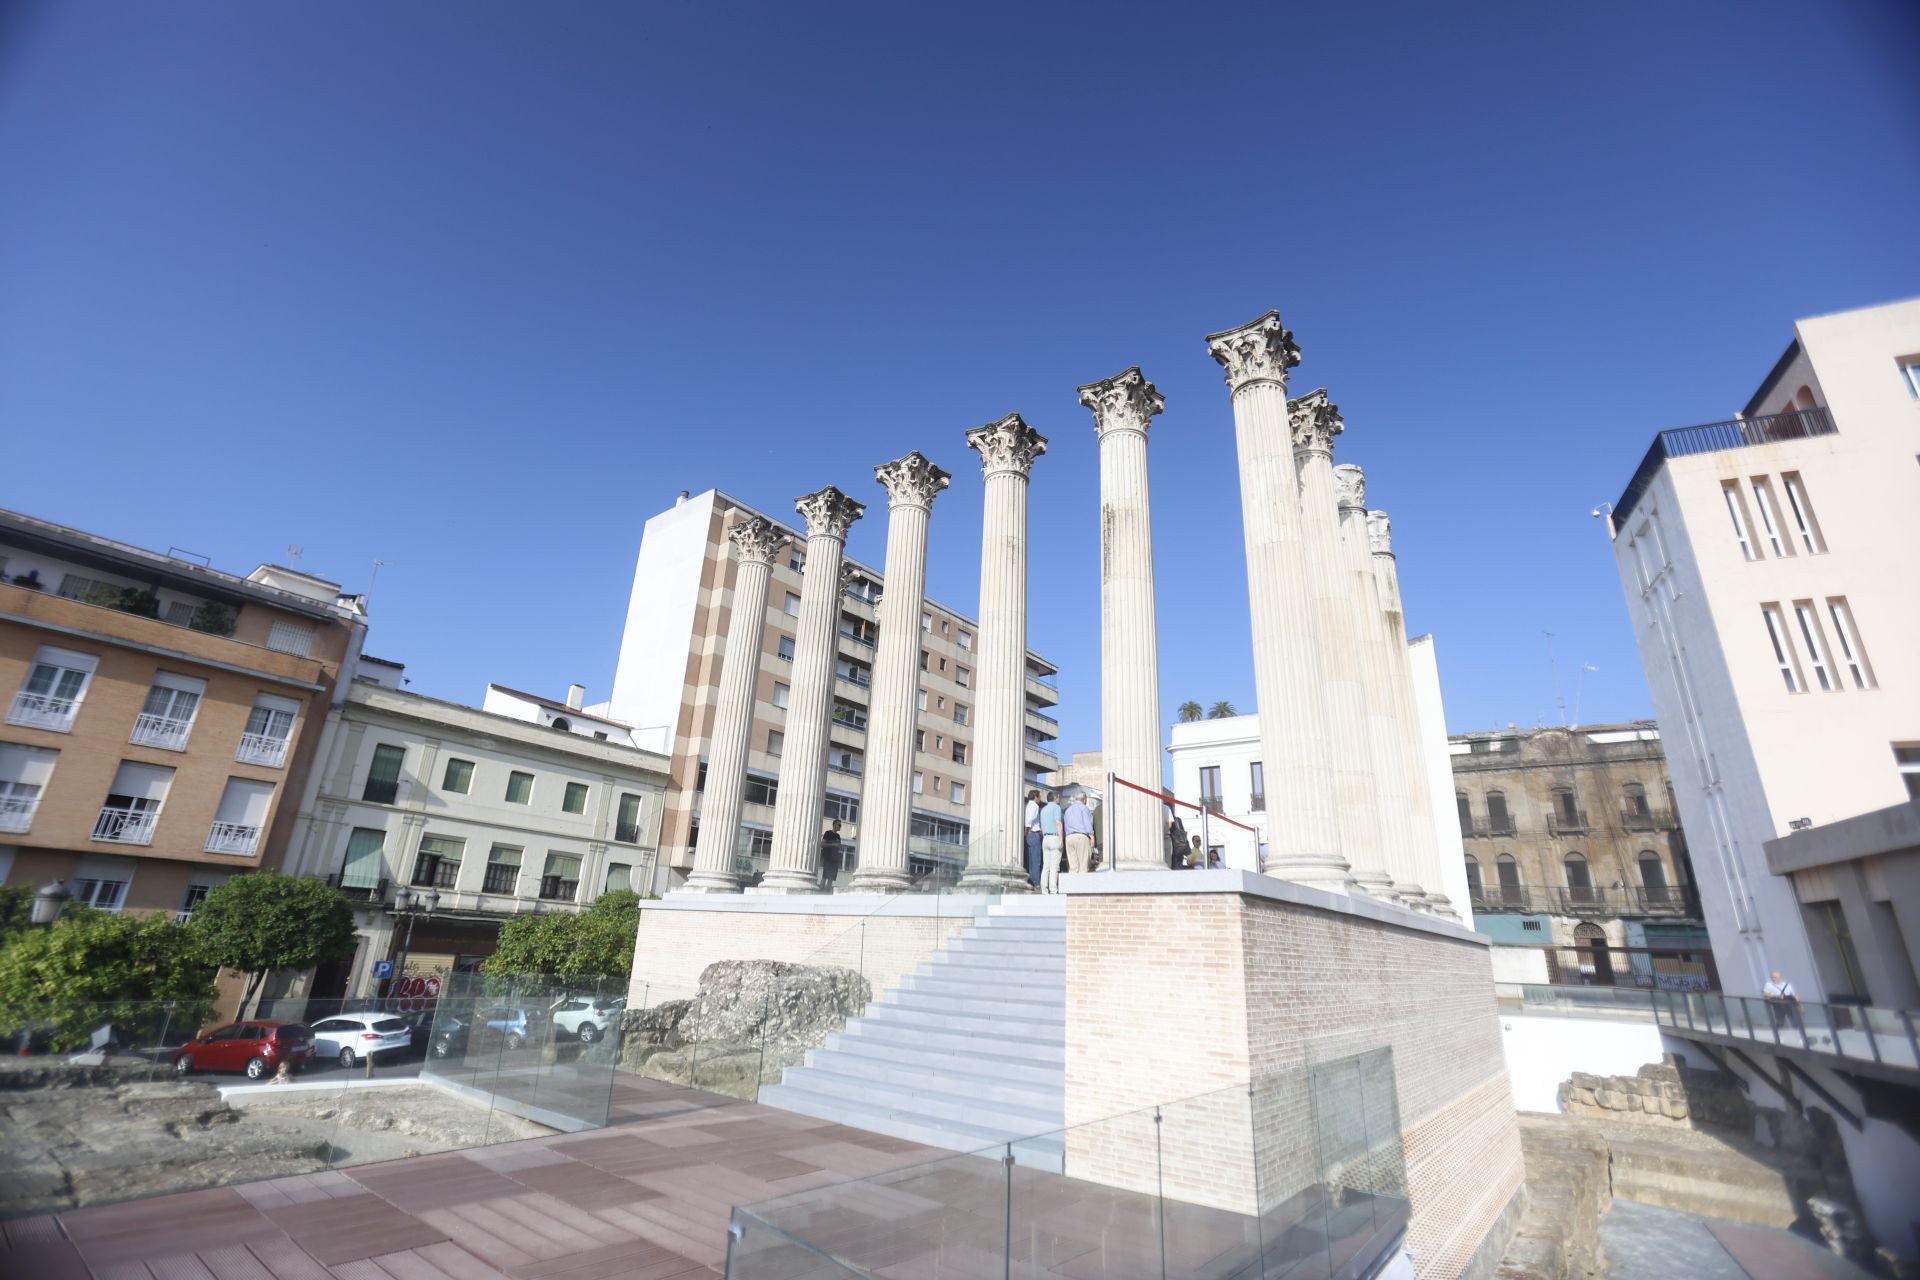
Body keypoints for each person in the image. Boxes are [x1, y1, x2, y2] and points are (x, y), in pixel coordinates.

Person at [1038, 792, 1065, 894]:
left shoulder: (1043, 810)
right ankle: (1053, 889)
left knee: (1046, 865)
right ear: (1055, 798)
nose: (1060, 799)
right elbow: (1058, 823)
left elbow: (1042, 827)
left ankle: (1044, 889)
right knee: (1054, 866)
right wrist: (1061, 839)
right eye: (1059, 797)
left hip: (1045, 838)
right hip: (1054, 837)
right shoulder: (1057, 808)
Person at [1063, 793, 1095, 875]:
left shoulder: (1067, 810)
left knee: (1073, 867)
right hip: (1081, 837)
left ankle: (1072, 887)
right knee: (1083, 867)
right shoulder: (1084, 808)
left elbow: (1065, 825)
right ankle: (1082, 887)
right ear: (1084, 799)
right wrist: (1092, 837)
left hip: (1069, 837)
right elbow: (1087, 823)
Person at [1023, 790, 1044, 887]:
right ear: (1035, 796)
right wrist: (1027, 829)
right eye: (1039, 796)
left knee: (1030, 860)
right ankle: (1036, 883)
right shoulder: (1035, 806)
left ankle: (1031, 881)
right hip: (1034, 833)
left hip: (1029, 834)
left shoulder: (1027, 805)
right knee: (1036, 860)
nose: (1040, 798)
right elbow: (1030, 819)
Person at [819, 820, 844, 888]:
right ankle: (821, 891)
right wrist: (833, 844)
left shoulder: (838, 836)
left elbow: (838, 846)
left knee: (831, 878)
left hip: (835, 859)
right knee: (825, 876)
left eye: (840, 825)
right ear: (834, 825)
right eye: (839, 825)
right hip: (828, 858)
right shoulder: (828, 833)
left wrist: (840, 847)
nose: (840, 827)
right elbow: (822, 844)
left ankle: (827, 892)